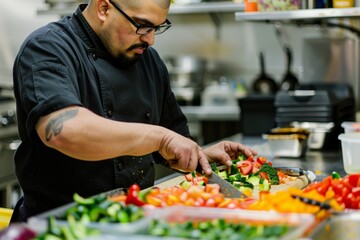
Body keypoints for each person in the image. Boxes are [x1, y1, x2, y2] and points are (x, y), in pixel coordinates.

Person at [11, 0, 257, 222]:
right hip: (59, 227)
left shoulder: (149, 61)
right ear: (104, 8)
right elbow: (63, 130)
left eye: (157, 27)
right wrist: (160, 138)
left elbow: (171, 141)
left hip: (132, 221)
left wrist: (199, 154)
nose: (150, 40)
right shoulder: (48, 48)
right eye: (142, 25)